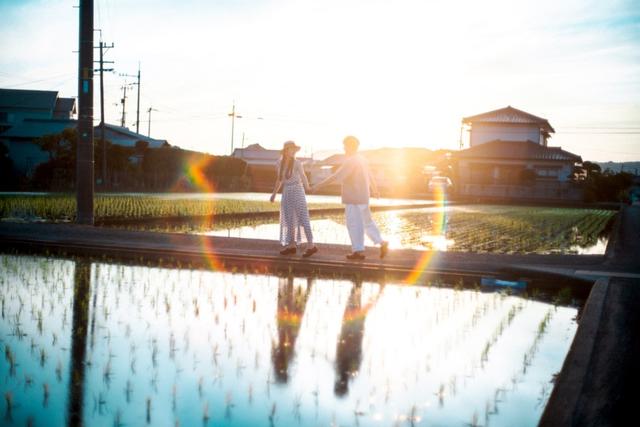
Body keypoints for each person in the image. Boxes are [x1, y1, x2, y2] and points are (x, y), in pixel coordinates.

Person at [311, 135, 388, 260]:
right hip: (364, 196)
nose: (343, 148)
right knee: (367, 222)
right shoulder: (362, 159)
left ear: (350, 146)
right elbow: (370, 175)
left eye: (345, 145)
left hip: (353, 198)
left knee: (354, 224)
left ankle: (358, 251)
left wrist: (319, 185)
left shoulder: (351, 161)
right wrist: (375, 190)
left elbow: (336, 176)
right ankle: (381, 241)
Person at [270, 141, 318, 257]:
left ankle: (311, 245)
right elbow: (279, 180)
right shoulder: (279, 163)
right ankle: (292, 245)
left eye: (294, 149)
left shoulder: (297, 163)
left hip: (297, 190)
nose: (293, 151)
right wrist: (274, 194)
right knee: (289, 219)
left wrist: (307, 187)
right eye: (291, 149)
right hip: (286, 191)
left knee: (303, 217)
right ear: (286, 150)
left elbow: (303, 176)